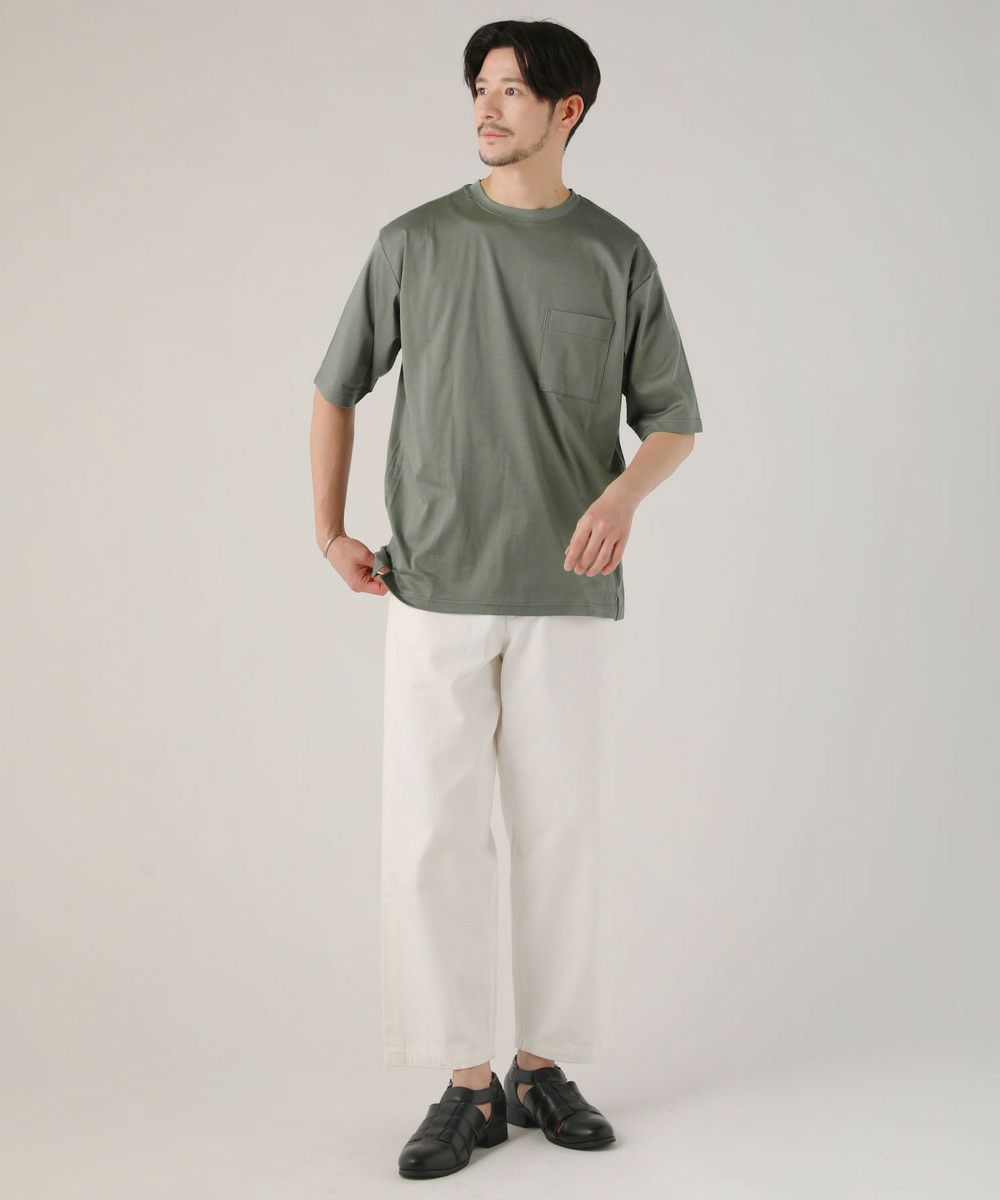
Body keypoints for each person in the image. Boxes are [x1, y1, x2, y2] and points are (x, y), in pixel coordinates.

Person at [309, 18, 702, 1180]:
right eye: (480, 88)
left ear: (566, 110)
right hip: (433, 583)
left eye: (514, 91)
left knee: (560, 833)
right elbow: (334, 387)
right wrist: (328, 531)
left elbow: (672, 420)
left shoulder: (614, 254)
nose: (486, 108)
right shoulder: (415, 242)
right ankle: (465, 1080)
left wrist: (624, 494)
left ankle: (541, 1064)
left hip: (565, 589)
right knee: (432, 837)